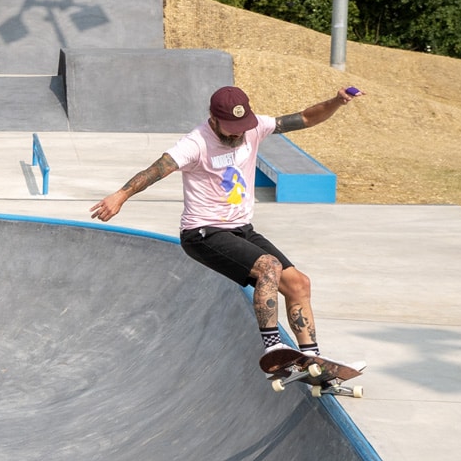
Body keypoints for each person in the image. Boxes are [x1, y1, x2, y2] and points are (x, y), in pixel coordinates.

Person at [90, 83, 362, 363]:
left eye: (242, 126)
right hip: (202, 233)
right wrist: (121, 195)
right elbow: (157, 169)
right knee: (269, 267)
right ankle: (273, 349)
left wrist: (336, 102)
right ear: (213, 118)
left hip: (241, 229)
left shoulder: (254, 128)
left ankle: (311, 361)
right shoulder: (195, 143)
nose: (239, 132)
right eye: (232, 127)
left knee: (299, 284)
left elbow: (304, 118)